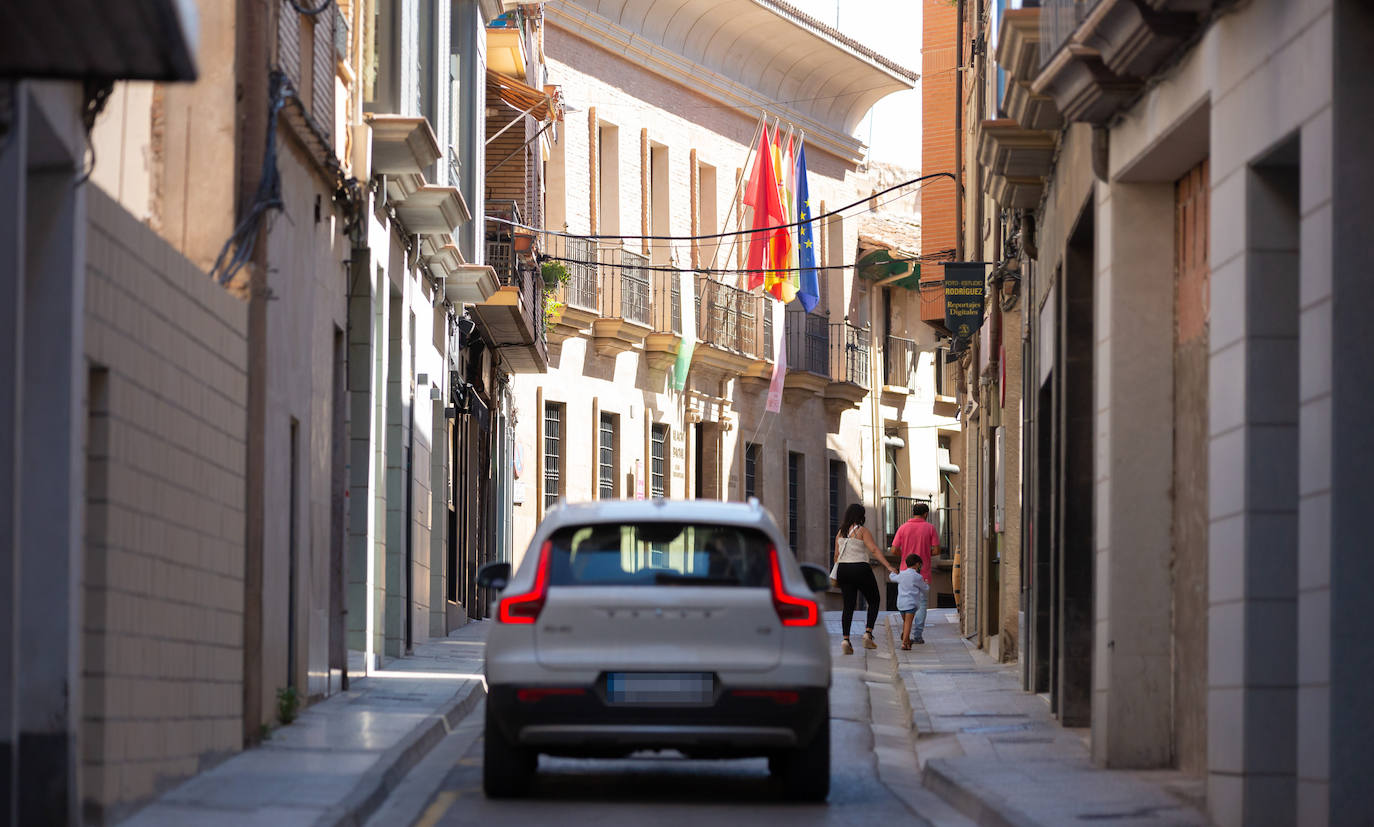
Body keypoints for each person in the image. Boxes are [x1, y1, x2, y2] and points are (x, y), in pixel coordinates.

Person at [833, 503, 896, 655]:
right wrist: (888, 566)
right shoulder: (862, 531)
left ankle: (846, 640)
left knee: (848, 605)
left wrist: (841, 571)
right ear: (861, 516)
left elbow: (836, 555)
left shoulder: (840, 533)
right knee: (874, 599)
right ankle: (868, 633)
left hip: (843, 569)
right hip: (860, 568)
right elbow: (873, 549)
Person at [889, 502, 939, 644]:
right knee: (922, 603)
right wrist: (925, 554)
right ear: (926, 514)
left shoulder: (903, 528)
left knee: (906, 600)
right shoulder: (930, 528)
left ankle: (906, 632)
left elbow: (893, 550)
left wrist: (904, 553)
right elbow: (936, 550)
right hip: (923, 572)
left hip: (905, 571)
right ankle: (917, 635)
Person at [888, 554, 930, 648]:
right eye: (920, 565)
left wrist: (893, 572)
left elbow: (892, 577)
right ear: (917, 564)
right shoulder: (917, 577)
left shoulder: (902, 574)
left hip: (901, 604)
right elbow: (925, 589)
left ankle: (907, 642)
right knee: (908, 623)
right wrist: (926, 584)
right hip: (911, 604)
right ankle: (904, 643)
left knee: (906, 623)